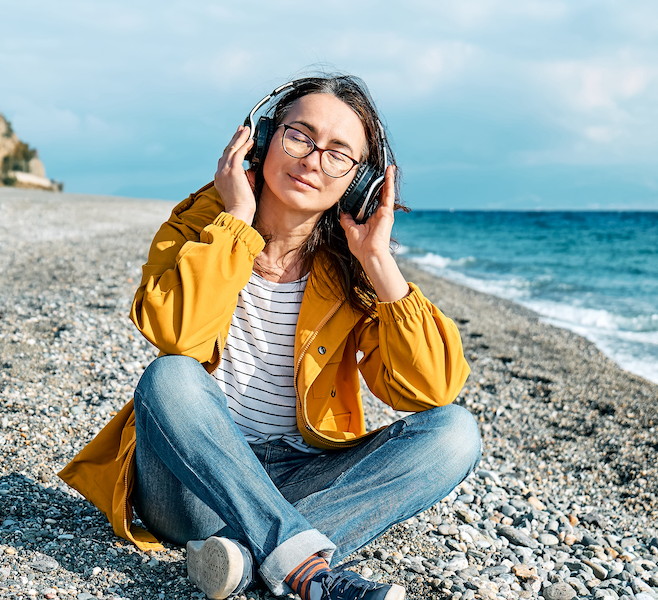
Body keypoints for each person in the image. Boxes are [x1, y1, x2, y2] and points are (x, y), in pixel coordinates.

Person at [59, 74, 481, 600]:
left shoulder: (354, 271)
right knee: (170, 376)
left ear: (358, 181)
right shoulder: (200, 225)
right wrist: (237, 218)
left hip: (299, 472)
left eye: (338, 154)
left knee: (455, 433)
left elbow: (430, 390)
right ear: (262, 139)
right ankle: (304, 564)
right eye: (299, 136)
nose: (312, 160)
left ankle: (243, 556)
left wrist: (377, 259)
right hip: (191, 480)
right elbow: (178, 336)